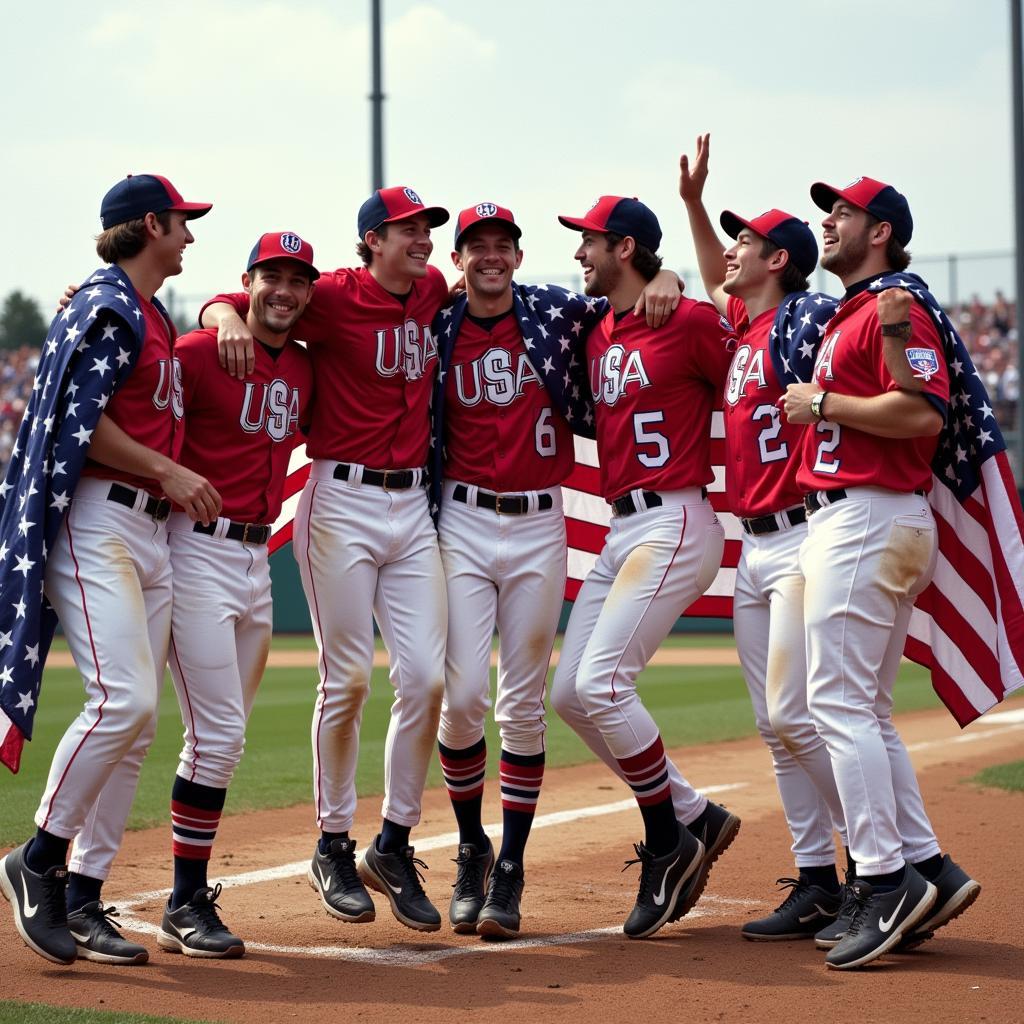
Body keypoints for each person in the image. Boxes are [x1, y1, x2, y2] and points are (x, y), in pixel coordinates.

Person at [200, 186, 453, 932]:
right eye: (408, 229)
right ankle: (332, 843)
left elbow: (476, 280)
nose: (423, 240)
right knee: (345, 677)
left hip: (411, 506)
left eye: (426, 229)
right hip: (339, 498)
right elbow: (255, 300)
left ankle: (395, 842)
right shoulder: (332, 297)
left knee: (426, 676)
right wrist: (217, 312)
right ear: (372, 240)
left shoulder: (433, 287)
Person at [432, 203, 682, 939]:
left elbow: (629, 292)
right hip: (463, 519)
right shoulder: (436, 323)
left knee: (523, 704)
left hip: (540, 521)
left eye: (501, 244)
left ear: (516, 254)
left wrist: (665, 270)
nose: (490, 256)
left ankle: (509, 869)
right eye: (475, 246)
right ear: (458, 259)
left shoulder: (555, 312)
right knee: (462, 697)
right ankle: (471, 848)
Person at [0, 174, 218, 966]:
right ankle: (38, 861)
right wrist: (169, 470)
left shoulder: (143, 308)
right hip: (102, 520)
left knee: (137, 724)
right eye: (182, 223)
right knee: (121, 701)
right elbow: (78, 427)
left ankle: (85, 894)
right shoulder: (108, 305)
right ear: (150, 224)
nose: (190, 236)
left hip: (147, 530)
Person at [781, 175, 981, 970]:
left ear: (883, 233)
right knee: (861, 707)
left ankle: (884, 879)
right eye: (828, 210)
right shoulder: (859, 312)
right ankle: (929, 867)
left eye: (845, 212)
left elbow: (924, 413)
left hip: (866, 513)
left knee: (837, 705)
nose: (828, 221)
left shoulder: (898, 305)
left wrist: (824, 404)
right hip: (862, 515)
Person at [550, 195, 740, 940]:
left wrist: (685, 289)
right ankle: (693, 814)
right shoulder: (597, 328)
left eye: (589, 242)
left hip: (676, 518)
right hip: (623, 530)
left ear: (625, 248)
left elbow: (751, 346)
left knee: (602, 682)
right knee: (569, 693)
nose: (579, 255)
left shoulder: (686, 320)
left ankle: (668, 843)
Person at [677, 135, 850, 941]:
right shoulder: (749, 324)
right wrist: (689, 205)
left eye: (746, 240)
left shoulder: (806, 314)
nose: (732, 251)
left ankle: (886, 858)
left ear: (777, 258)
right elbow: (718, 279)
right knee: (775, 725)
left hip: (803, 536)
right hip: (756, 543)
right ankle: (818, 877)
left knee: (795, 712)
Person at [153, 232, 315, 957]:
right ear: (246, 281)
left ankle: (171, 896)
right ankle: (184, 900)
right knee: (213, 735)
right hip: (196, 552)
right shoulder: (195, 352)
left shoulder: (306, 368)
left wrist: (224, 311)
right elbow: (130, 398)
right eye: (270, 277)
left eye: (296, 280)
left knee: (217, 737)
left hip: (257, 558)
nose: (283, 290)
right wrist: (217, 316)